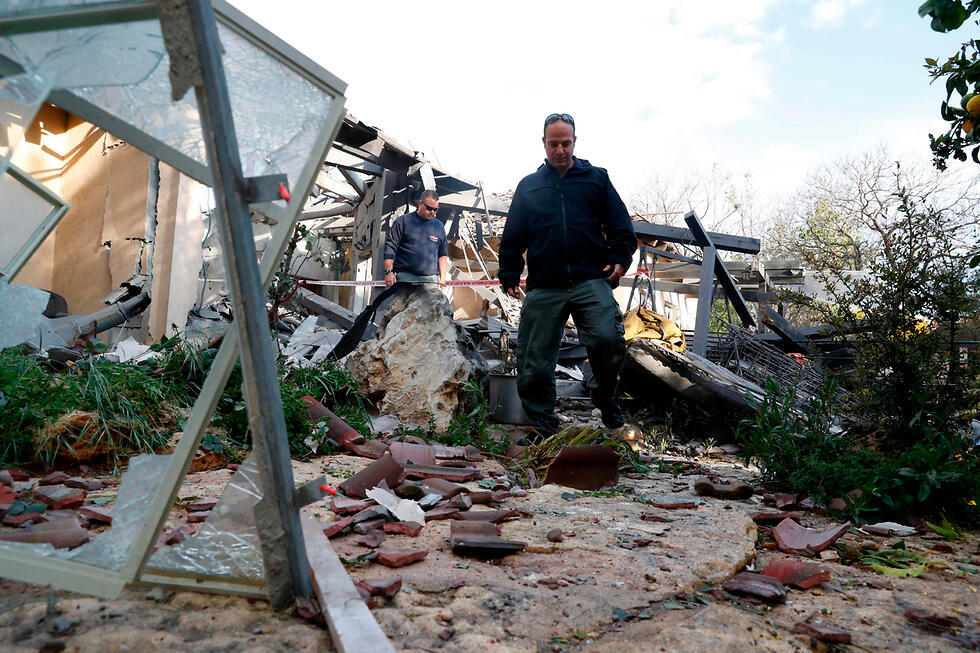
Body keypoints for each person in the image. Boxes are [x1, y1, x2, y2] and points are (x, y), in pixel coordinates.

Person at [498, 113, 637, 443]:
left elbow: (622, 228)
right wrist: (509, 271)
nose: (559, 149)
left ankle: (604, 398)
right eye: (553, 143)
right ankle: (545, 425)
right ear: (543, 143)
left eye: (566, 143)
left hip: (590, 279)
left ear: (575, 141)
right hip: (545, 284)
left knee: (608, 339)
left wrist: (620, 259)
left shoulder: (596, 180)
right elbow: (513, 235)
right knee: (532, 357)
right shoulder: (529, 187)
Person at [383, 190, 449, 287]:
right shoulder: (403, 221)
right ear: (420, 203)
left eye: (435, 209)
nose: (432, 212)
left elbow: (442, 254)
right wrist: (388, 272)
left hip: (430, 281)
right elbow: (390, 247)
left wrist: (443, 278)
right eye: (429, 208)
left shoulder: (439, 226)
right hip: (405, 278)